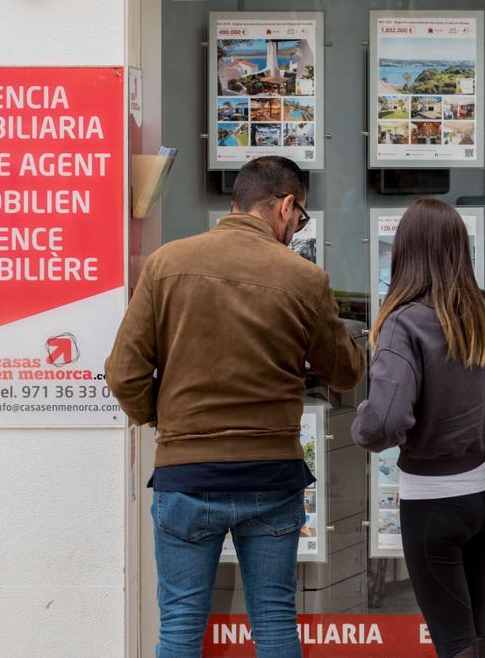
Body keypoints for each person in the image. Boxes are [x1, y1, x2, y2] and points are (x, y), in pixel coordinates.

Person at [106, 156, 364, 658]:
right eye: (300, 218)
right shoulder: (304, 278)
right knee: (273, 621)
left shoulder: (165, 265)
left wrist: (166, 421)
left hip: (186, 476)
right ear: (286, 206)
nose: (296, 229)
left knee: (180, 625)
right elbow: (347, 373)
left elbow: (123, 373)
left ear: (236, 205)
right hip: (271, 476)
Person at [351, 198, 485, 658]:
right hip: (484, 501)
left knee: (454, 643)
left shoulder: (404, 321)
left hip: (431, 504)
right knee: (477, 636)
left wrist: (361, 429)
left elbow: (385, 419)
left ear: (406, 253)